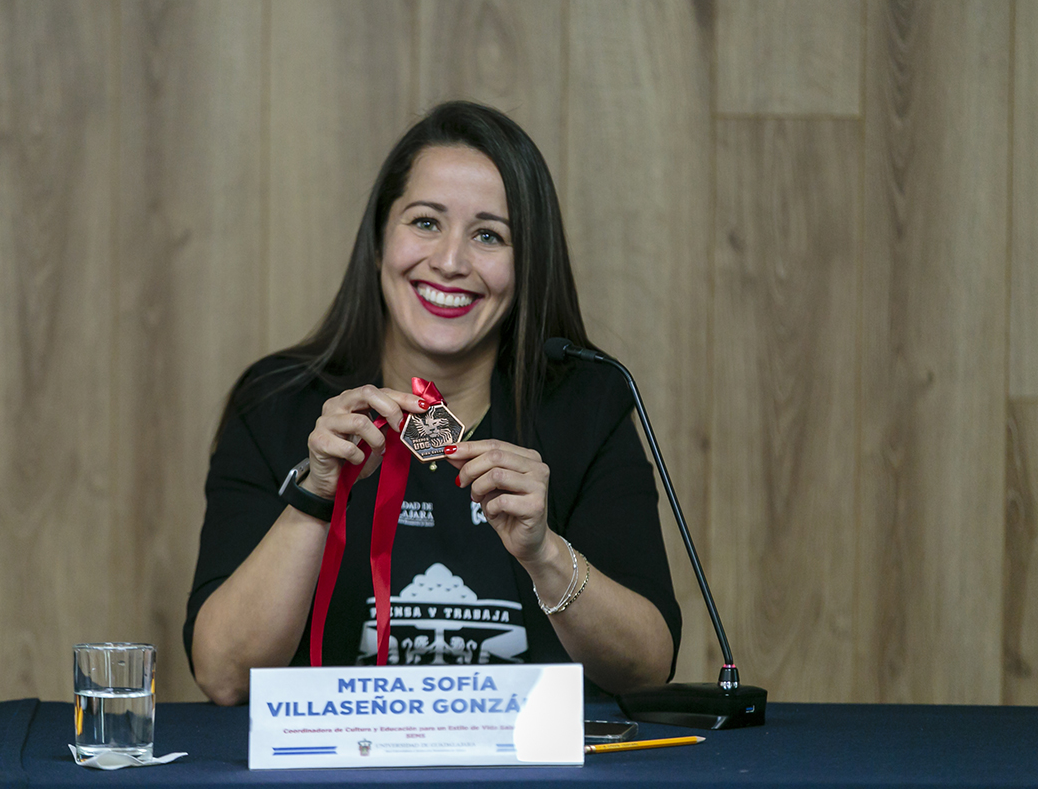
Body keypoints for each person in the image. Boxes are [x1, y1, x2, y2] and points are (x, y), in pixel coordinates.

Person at [184, 101, 680, 706]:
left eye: (489, 235)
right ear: (377, 242)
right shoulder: (277, 401)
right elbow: (224, 676)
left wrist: (544, 551)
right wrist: (314, 495)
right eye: (425, 222)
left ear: (528, 268)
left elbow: (647, 668)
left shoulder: (586, 403)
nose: (449, 261)